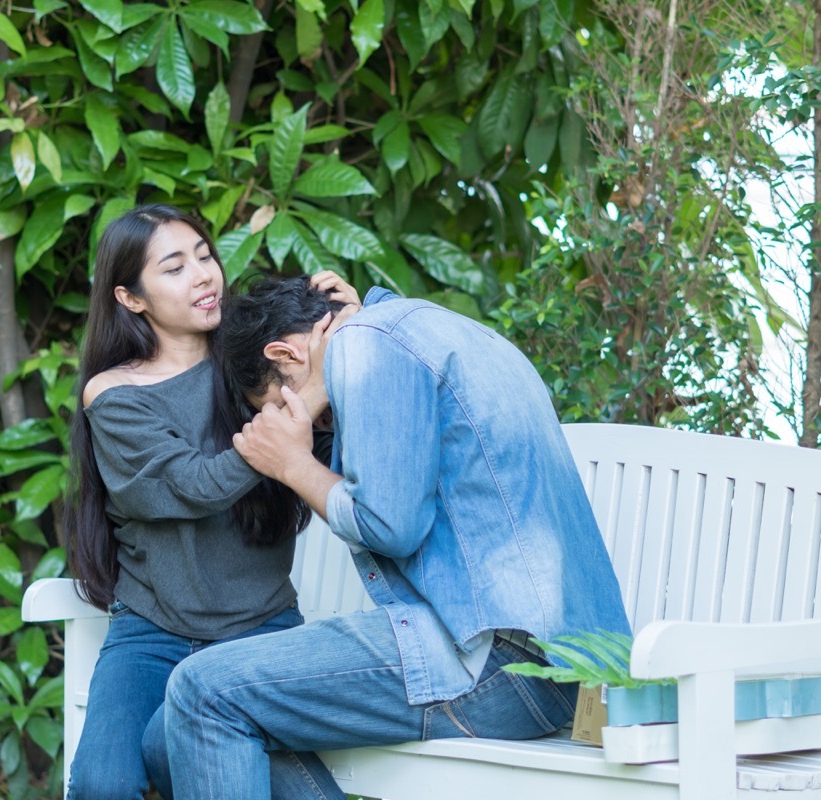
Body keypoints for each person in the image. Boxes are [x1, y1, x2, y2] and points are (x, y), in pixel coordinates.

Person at [163, 276, 631, 800]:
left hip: (498, 665)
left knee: (203, 692)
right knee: (178, 730)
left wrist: (293, 463)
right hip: (569, 670)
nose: (314, 425)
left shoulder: (368, 342)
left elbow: (391, 527)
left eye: (278, 402)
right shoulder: (434, 328)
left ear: (284, 354)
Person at [62, 206, 355, 800]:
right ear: (131, 297)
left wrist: (351, 330)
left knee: (169, 746)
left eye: (204, 255)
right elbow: (188, 486)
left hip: (260, 629)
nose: (203, 276)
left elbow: (341, 436)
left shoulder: (251, 359)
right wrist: (307, 396)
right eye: (174, 267)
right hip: (152, 631)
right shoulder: (113, 393)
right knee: (102, 783)